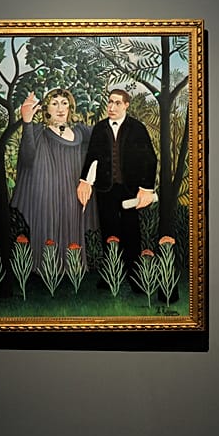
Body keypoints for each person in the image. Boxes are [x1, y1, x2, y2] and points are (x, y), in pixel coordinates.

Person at [77, 89, 157, 293]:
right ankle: (110, 275)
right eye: (110, 102)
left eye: (117, 103)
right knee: (108, 232)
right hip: (105, 190)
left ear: (126, 105)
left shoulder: (137, 128)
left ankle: (136, 278)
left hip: (130, 190)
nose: (111, 107)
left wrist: (146, 189)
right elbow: (92, 158)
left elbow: (150, 159)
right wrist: (85, 182)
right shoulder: (99, 128)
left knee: (131, 233)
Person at [10, 88, 96, 271]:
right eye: (54, 103)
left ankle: (73, 272)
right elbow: (27, 158)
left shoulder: (80, 131)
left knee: (71, 229)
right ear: (46, 108)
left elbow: (101, 142)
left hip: (72, 192)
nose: (60, 108)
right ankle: (45, 272)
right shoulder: (38, 132)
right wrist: (27, 121)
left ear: (70, 107)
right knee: (47, 228)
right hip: (47, 192)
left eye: (64, 103)